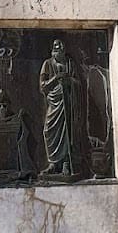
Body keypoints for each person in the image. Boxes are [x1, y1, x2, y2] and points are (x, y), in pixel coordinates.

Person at [39, 39, 84, 178]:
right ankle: (53, 163)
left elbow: (78, 83)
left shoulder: (70, 63)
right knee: (48, 130)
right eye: (56, 48)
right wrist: (56, 78)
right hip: (54, 102)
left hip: (68, 103)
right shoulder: (47, 64)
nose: (59, 50)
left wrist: (69, 81)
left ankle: (66, 163)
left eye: (61, 48)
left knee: (67, 131)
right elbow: (43, 86)